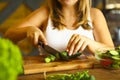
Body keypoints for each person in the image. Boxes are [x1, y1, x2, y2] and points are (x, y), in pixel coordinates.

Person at [4, 0, 114, 56]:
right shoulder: (45, 13)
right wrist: (27, 30)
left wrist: (91, 43)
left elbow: (111, 52)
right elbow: (8, 36)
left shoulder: (95, 14)